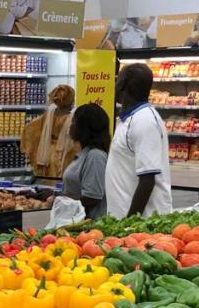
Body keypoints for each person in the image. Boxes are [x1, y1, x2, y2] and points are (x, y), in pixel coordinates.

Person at [106, 62, 172, 218]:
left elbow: (147, 180)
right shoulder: (129, 119)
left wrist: (130, 223)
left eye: (117, 81)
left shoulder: (144, 121)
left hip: (140, 224)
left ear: (122, 85)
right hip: (123, 219)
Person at [60, 103, 110, 221]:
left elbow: (92, 198)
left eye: (73, 122)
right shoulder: (84, 154)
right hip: (75, 222)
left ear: (84, 127)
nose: (70, 126)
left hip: (89, 228)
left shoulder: (95, 156)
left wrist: (61, 200)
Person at [20, 84, 78, 179]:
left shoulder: (48, 115)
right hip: (65, 155)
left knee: (46, 184)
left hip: (46, 154)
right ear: (71, 99)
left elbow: (30, 129)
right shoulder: (74, 117)